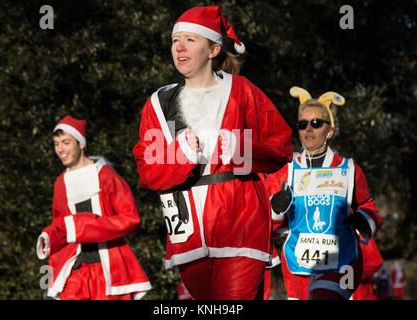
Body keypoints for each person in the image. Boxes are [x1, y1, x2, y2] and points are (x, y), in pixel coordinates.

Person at [133, 6, 293, 299]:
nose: (179, 47)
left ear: (213, 49)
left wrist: (238, 149)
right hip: (186, 231)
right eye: (175, 40)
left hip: (241, 224)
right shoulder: (158, 103)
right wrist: (178, 156)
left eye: (191, 40)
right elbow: (148, 173)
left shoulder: (243, 91)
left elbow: (281, 148)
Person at [266, 86, 383, 300]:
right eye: (303, 124)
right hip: (298, 264)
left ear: (329, 131)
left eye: (316, 123)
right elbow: (262, 220)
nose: (308, 129)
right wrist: (275, 208)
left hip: (342, 262)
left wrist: (363, 218)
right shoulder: (287, 170)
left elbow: (368, 206)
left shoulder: (349, 169)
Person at [36, 115, 152, 300]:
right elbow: (60, 223)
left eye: (66, 142)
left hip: (108, 270)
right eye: (56, 143)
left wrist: (84, 226)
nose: (60, 149)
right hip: (75, 271)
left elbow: (131, 219)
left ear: (81, 144)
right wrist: (49, 236)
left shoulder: (107, 176)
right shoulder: (60, 183)